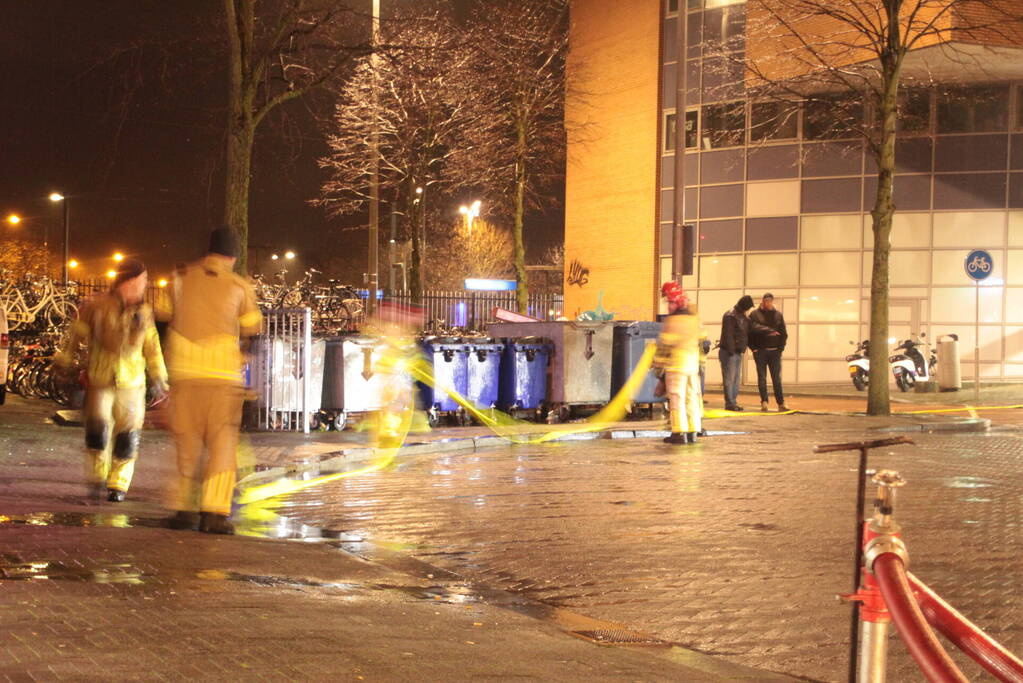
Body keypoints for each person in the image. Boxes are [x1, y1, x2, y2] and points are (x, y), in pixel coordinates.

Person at [156, 228, 262, 535]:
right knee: (221, 447)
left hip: (185, 376)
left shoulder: (179, 278)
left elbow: (161, 318)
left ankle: (184, 510)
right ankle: (214, 513)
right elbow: (252, 332)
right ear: (233, 256)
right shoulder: (240, 287)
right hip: (223, 380)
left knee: (186, 444)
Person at [55, 259, 168, 502]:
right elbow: (76, 335)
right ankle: (97, 478)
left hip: (131, 382)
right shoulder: (96, 306)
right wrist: (64, 361)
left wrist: (159, 377)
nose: (145, 284)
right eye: (143, 280)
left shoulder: (144, 312)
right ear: (130, 280)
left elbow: (152, 347)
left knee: (127, 436)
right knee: (98, 431)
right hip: (101, 379)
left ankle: (118, 484)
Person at [654, 282, 702, 445]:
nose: (668, 307)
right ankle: (693, 431)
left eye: (670, 302)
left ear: (677, 301)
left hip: (677, 365)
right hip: (692, 365)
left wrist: (657, 367)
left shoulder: (673, 320)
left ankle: (678, 432)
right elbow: (702, 339)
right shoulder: (694, 317)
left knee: (676, 398)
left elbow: (665, 346)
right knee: (691, 398)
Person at [749, 292, 789, 412]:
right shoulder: (754, 314)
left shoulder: (778, 315)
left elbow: (784, 333)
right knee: (762, 377)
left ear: (772, 301)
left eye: (770, 301)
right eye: (766, 301)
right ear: (762, 301)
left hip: (775, 351)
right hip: (760, 351)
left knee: (776, 378)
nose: (768, 303)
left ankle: (780, 403)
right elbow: (749, 332)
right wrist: (753, 348)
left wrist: (780, 348)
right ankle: (764, 402)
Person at [719, 294, 754, 411]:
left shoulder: (742, 316)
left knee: (735, 379)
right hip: (730, 352)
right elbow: (728, 334)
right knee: (730, 378)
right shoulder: (731, 315)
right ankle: (730, 403)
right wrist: (731, 351)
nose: (749, 310)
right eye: (749, 307)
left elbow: (749, 330)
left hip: (736, 351)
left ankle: (733, 402)